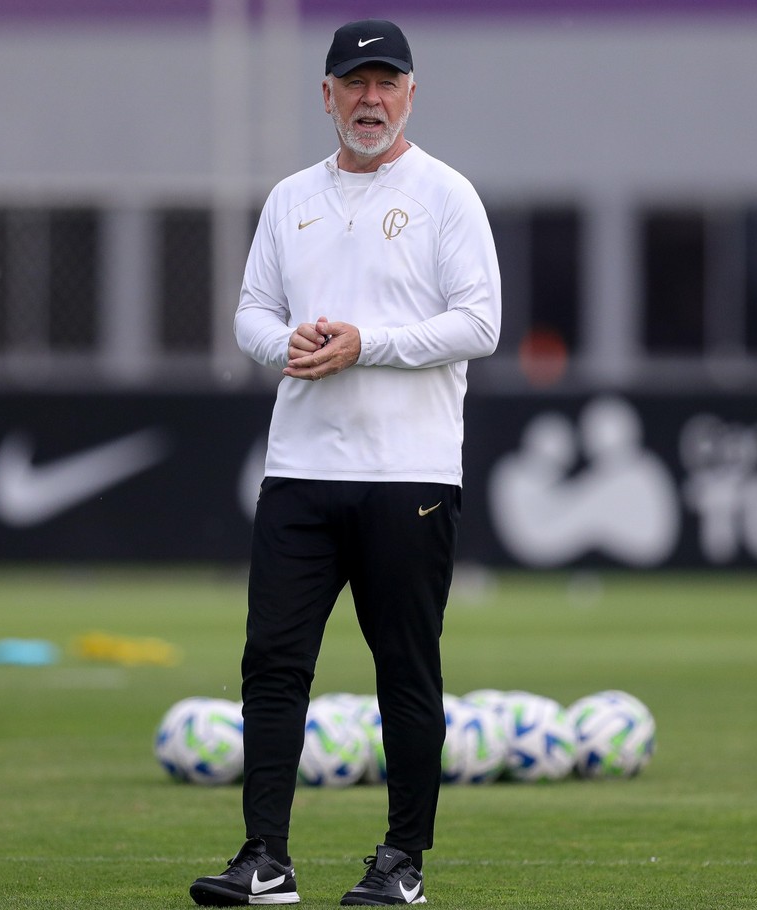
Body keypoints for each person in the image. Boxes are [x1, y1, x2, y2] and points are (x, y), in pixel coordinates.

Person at [189, 17, 501, 907]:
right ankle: (266, 859)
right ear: (326, 94)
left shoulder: (446, 194)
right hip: (299, 468)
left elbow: (480, 325)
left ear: (411, 92)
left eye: (387, 83)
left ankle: (402, 862)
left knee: (405, 667)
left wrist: (367, 344)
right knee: (273, 662)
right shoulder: (291, 197)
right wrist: (288, 342)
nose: (371, 99)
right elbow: (250, 312)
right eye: (354, 84)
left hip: (410, 473)